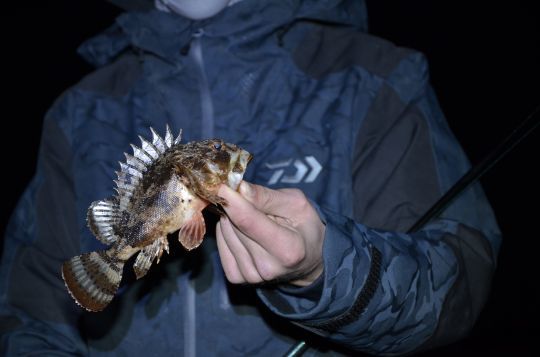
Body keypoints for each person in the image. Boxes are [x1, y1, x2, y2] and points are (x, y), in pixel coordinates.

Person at [0, 0, 502, 355]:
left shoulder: (378, 79)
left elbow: (460, 284)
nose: (230, 156)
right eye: (216, 153)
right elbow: (31, 308)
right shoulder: (77, 112)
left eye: (221, 153)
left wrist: (324, 272)